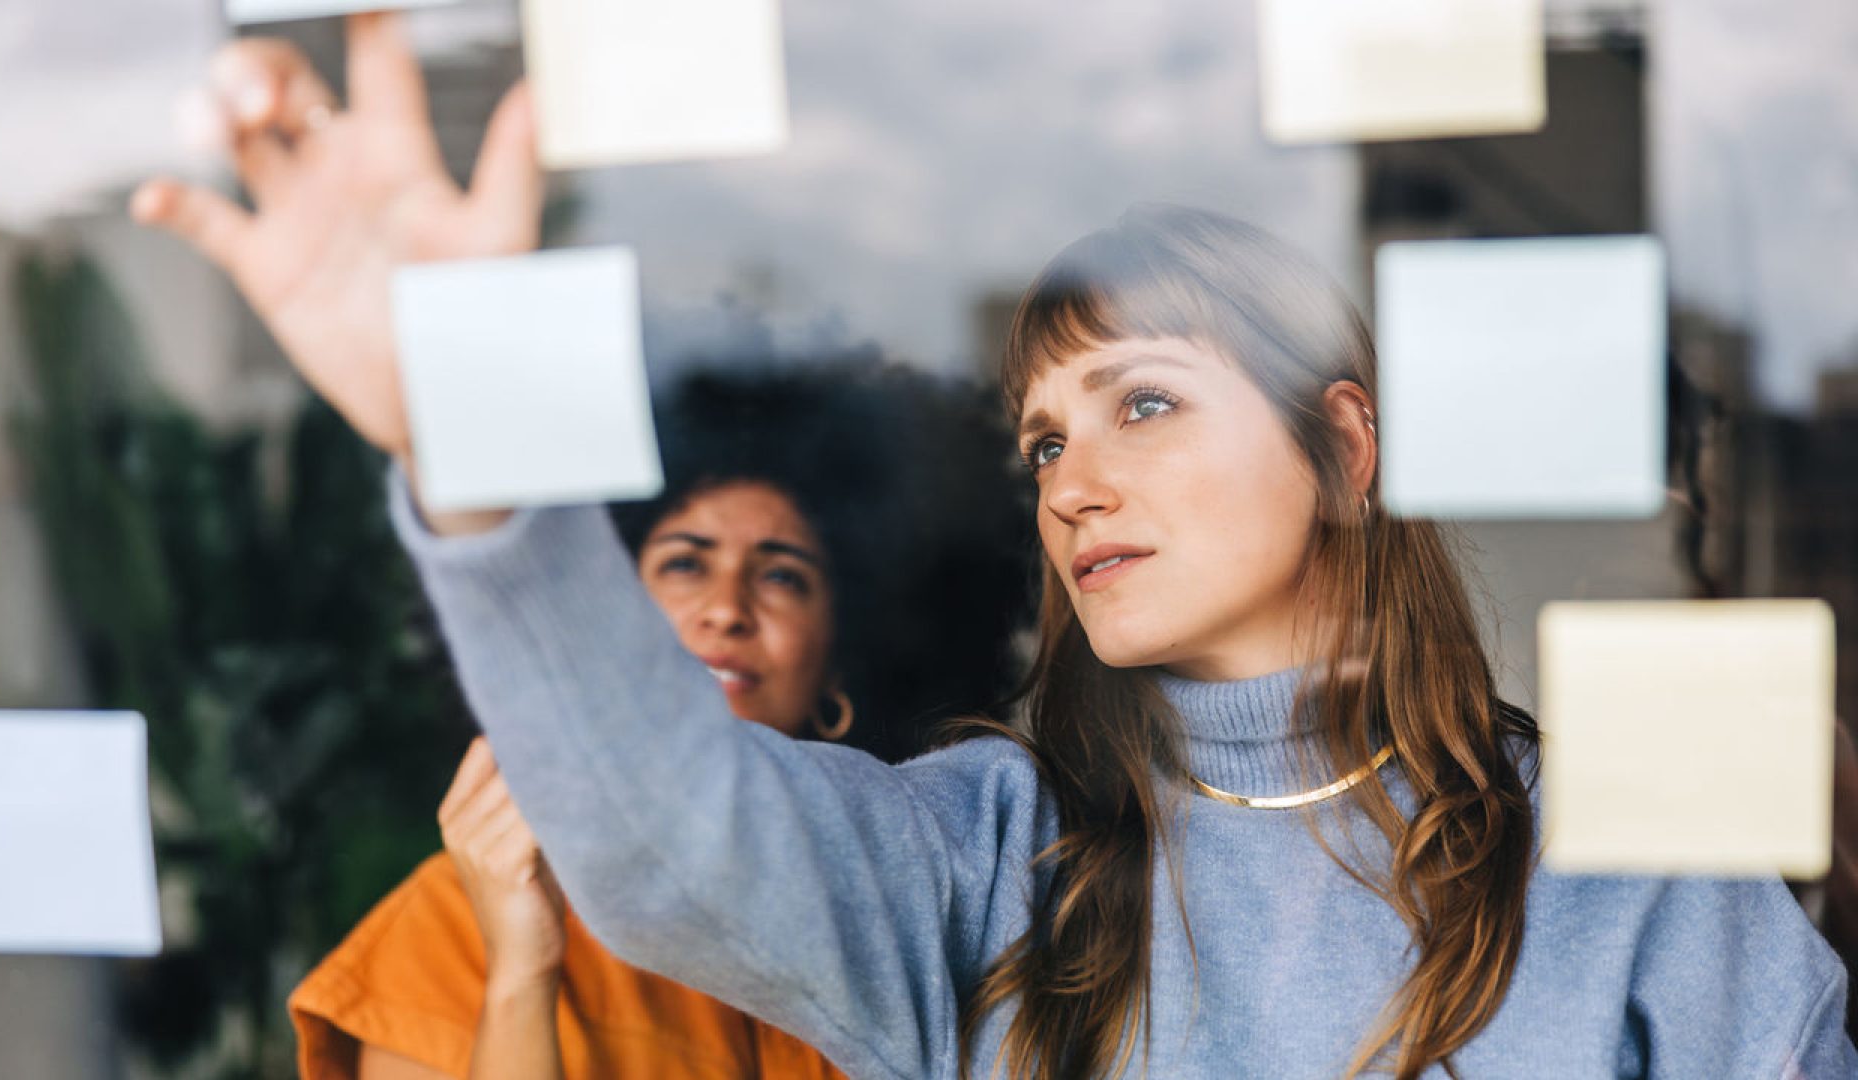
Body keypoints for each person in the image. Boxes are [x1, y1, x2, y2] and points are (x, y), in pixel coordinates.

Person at [136, 15, 1856, 1077]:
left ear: (1344, 446)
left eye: (1145, 405)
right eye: (1043, 437)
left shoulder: (1618, 871)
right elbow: (663, 828)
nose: (1073, 483)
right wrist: (468, 445)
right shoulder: (983, 862)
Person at [285, 362, 1035, 1080]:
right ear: (606, 628)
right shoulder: (449, 923)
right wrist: (521, 969)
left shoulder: (911, 917)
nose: (726, 607)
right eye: (685, 562)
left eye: (782, 575)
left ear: (840, 673)